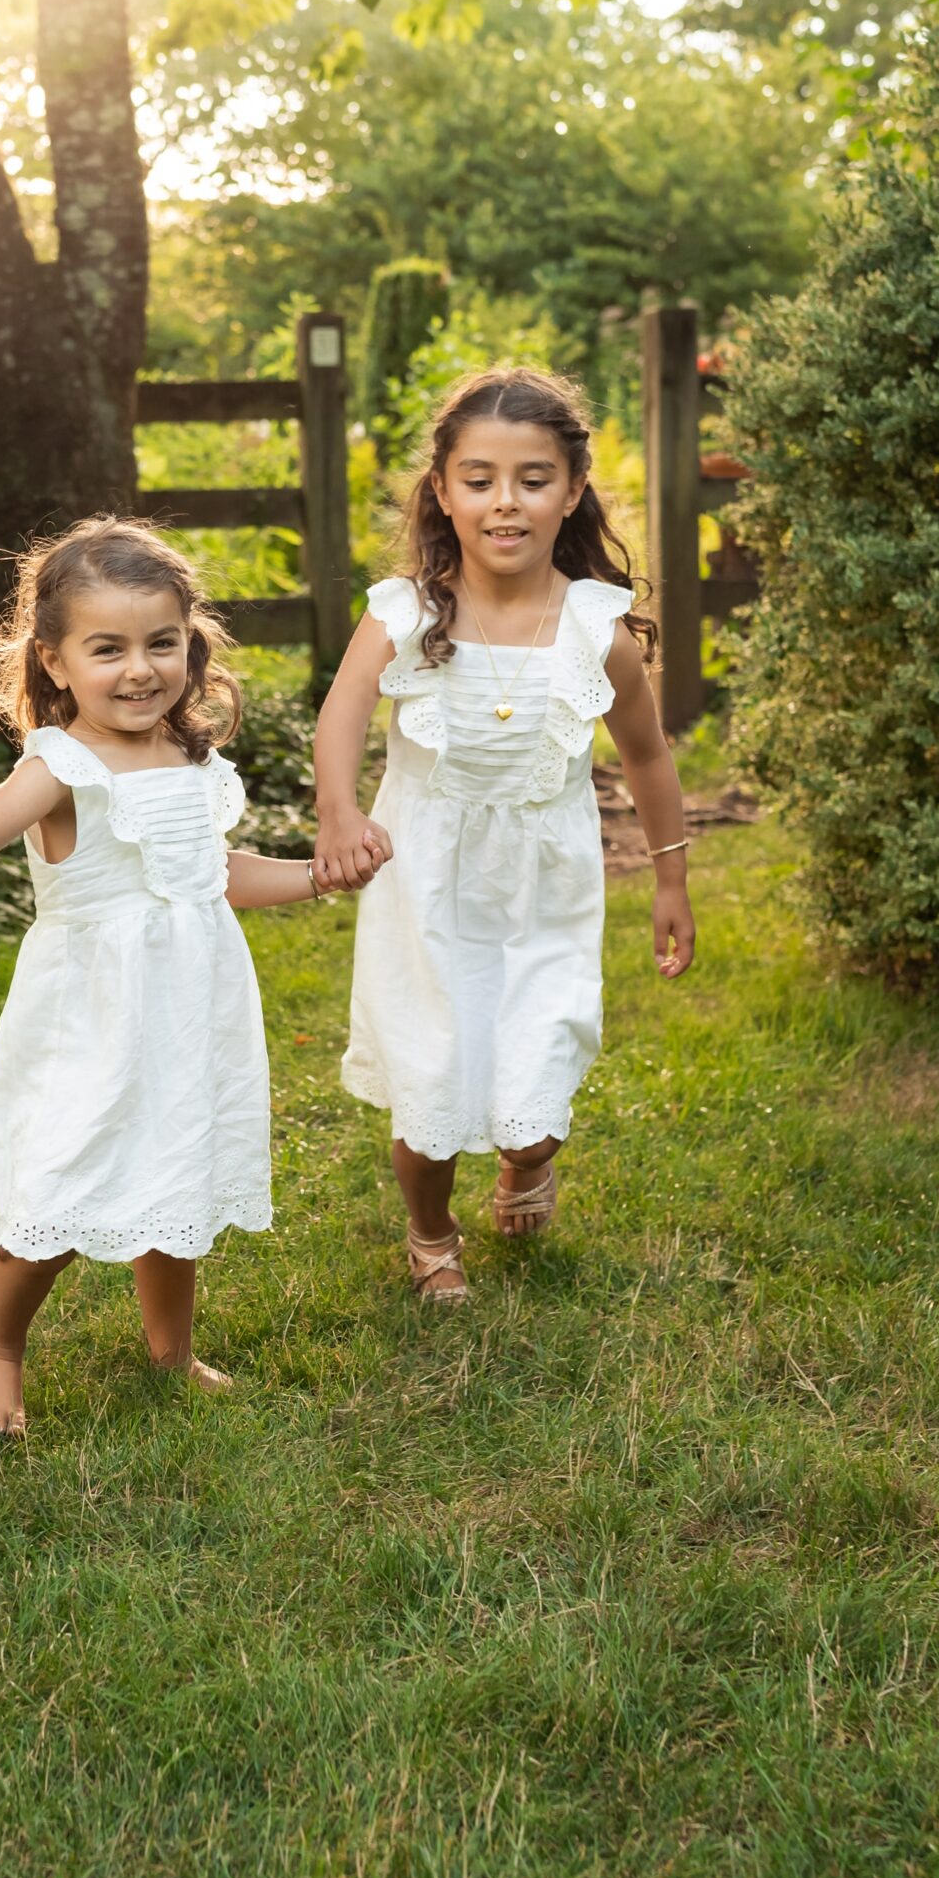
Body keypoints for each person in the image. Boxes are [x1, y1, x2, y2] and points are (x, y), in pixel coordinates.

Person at [0, 517, 341, 1432]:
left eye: (160, 643)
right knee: (60, 1174)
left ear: (189, 647)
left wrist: (315, 876)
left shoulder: (188, 758)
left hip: (184, 1010)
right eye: (108, 649)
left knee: (173, 1166)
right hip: (93, 1015)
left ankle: (171, 1352)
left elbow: (211, 877)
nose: (139, 669)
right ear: (54, 663)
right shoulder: (60, 768)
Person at [313, 369, 694, 1303]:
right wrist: (338, 811)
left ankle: (527, 1161)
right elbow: (343, 711)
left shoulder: (595, 632)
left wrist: (670, 879)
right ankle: (431, 1234)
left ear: (570, 491)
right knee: (431, 1070)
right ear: (442, 490)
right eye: (478, 478)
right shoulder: (404, 613)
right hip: (425, 881)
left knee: (540, 1062)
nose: (504, 502)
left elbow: (646, 758)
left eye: (531, 478)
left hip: (543, 884)